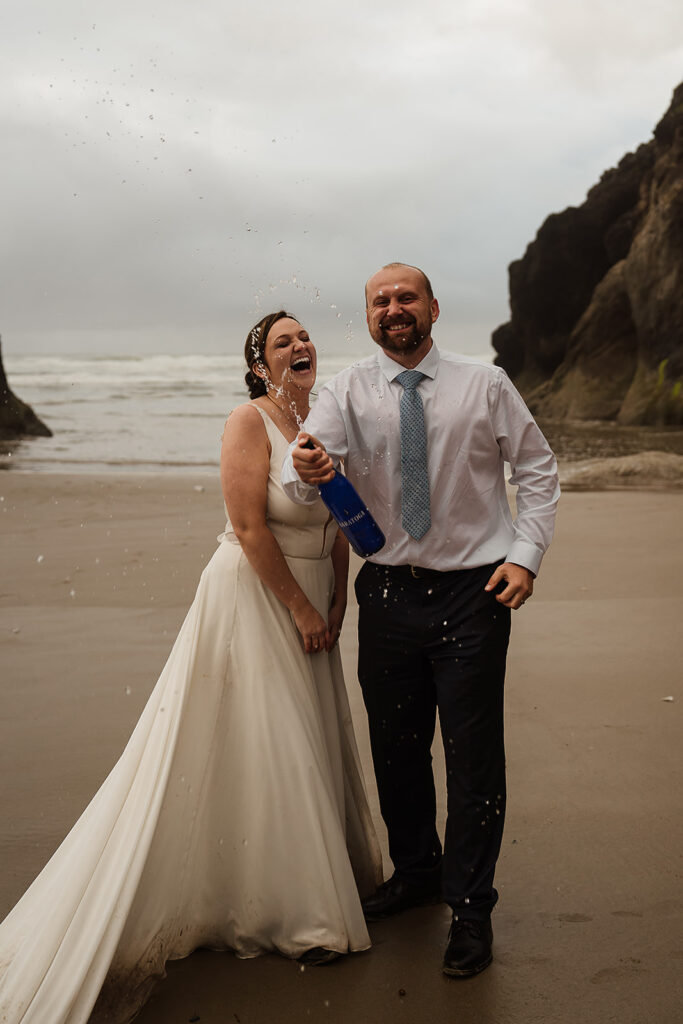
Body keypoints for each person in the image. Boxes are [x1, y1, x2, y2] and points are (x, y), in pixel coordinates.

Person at [0, 311, 382, 1024]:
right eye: (281, 342)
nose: (298, 347)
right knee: (270, 739)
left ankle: (302, 879)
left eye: (303, 337)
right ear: (260, 365)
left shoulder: (327, 416)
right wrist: (299, 608)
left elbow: (337, 516)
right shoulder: (248, 420)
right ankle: (301, 914)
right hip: (255, 595)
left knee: (307, 734)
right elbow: (245, 527)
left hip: (316, 591)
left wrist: (336, 601)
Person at [282, 263, 560, 978]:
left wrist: (524, 558)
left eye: (406, 297)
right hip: (385, 595)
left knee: (473, 759)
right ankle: (415, 875)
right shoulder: (344, 390)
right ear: (368, 316)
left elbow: (536, 470)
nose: (393, 309)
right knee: (395, 749)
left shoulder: (485, 384)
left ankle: (471, 909)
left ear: (432, 307)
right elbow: (300, 474)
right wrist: (306, 467)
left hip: (476, 592)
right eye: (380, 301)